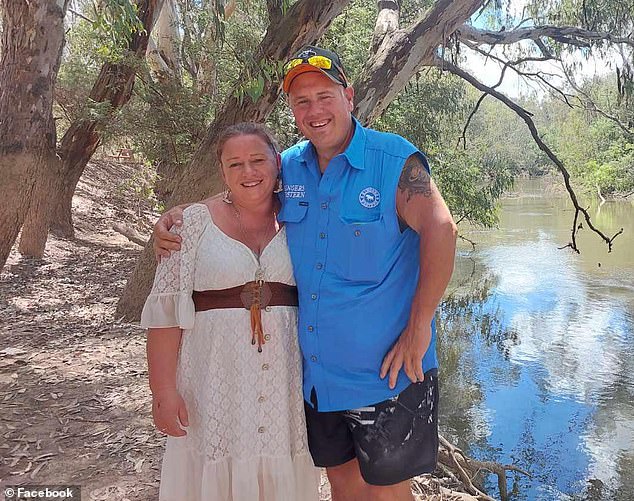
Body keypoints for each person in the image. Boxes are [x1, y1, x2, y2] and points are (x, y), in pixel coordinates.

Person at [154, 46, 458, 501]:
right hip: (318, 378)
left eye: (324, 95)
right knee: (343, 486)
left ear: (349, 96)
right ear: (293, 111)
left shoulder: (393, 160)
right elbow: (245, 184)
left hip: (386, 375)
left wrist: (419, 327)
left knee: (389, 492)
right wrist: (183, 215)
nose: (314, 110)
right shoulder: (291, 165)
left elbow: (441, 228)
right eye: (301, 101)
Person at [141, 122, 320, 501]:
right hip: (212, 377)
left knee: (280, 459)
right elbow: (165, 313)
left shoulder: (303, 217)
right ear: (222, 171)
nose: (248, 172)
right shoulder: (189, 224)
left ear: (277, 164)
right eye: (234, 164)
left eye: (257, 160)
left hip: (283, 382)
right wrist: (163, 391)